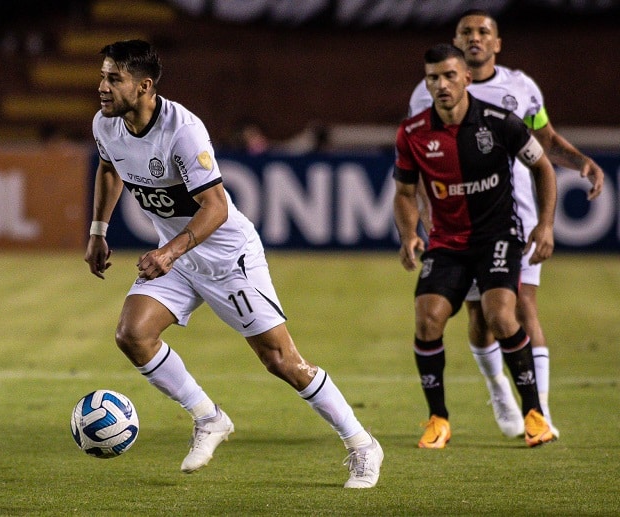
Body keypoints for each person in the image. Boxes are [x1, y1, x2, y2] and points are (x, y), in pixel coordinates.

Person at [84, 39, 383, 488]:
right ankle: (209, 418)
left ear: (144, 86)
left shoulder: (182, 130)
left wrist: (168, 251)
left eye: (113, 78)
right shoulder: (106, 124)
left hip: (226, 258)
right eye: (102, 76)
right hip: (179, 258)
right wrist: (98, 231)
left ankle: (362, 445)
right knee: (134, 334)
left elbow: (216, 206)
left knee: (281, 360)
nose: (102, 87)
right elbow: (109, 168)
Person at [407, 9, 605, 439]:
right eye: (466, 32)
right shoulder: (427, 95)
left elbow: (545, 141)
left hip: (514, 216)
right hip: (458, 222)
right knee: (479, 319)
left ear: (497, 43)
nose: (474, 38)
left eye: (483, 32)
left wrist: (580, 161)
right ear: (456, 42)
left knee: (518, 307)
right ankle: (498, 387)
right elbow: (419, 169)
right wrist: (427, 223)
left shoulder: (520, 87)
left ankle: (540, 413)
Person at [393, 43, 558, 449]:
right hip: (448, 242)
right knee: (427, 318)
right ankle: (438, 420)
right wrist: (409, 232)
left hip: (498, 236)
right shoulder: (413, 134)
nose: (442, 84)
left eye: (450, 75)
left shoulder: (501, 123)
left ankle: (535, 414)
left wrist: (545, 224)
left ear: (467, 77)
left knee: (501, 315)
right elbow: (403, 192)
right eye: (434, 78)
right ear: (426, 83)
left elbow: (542, 167)